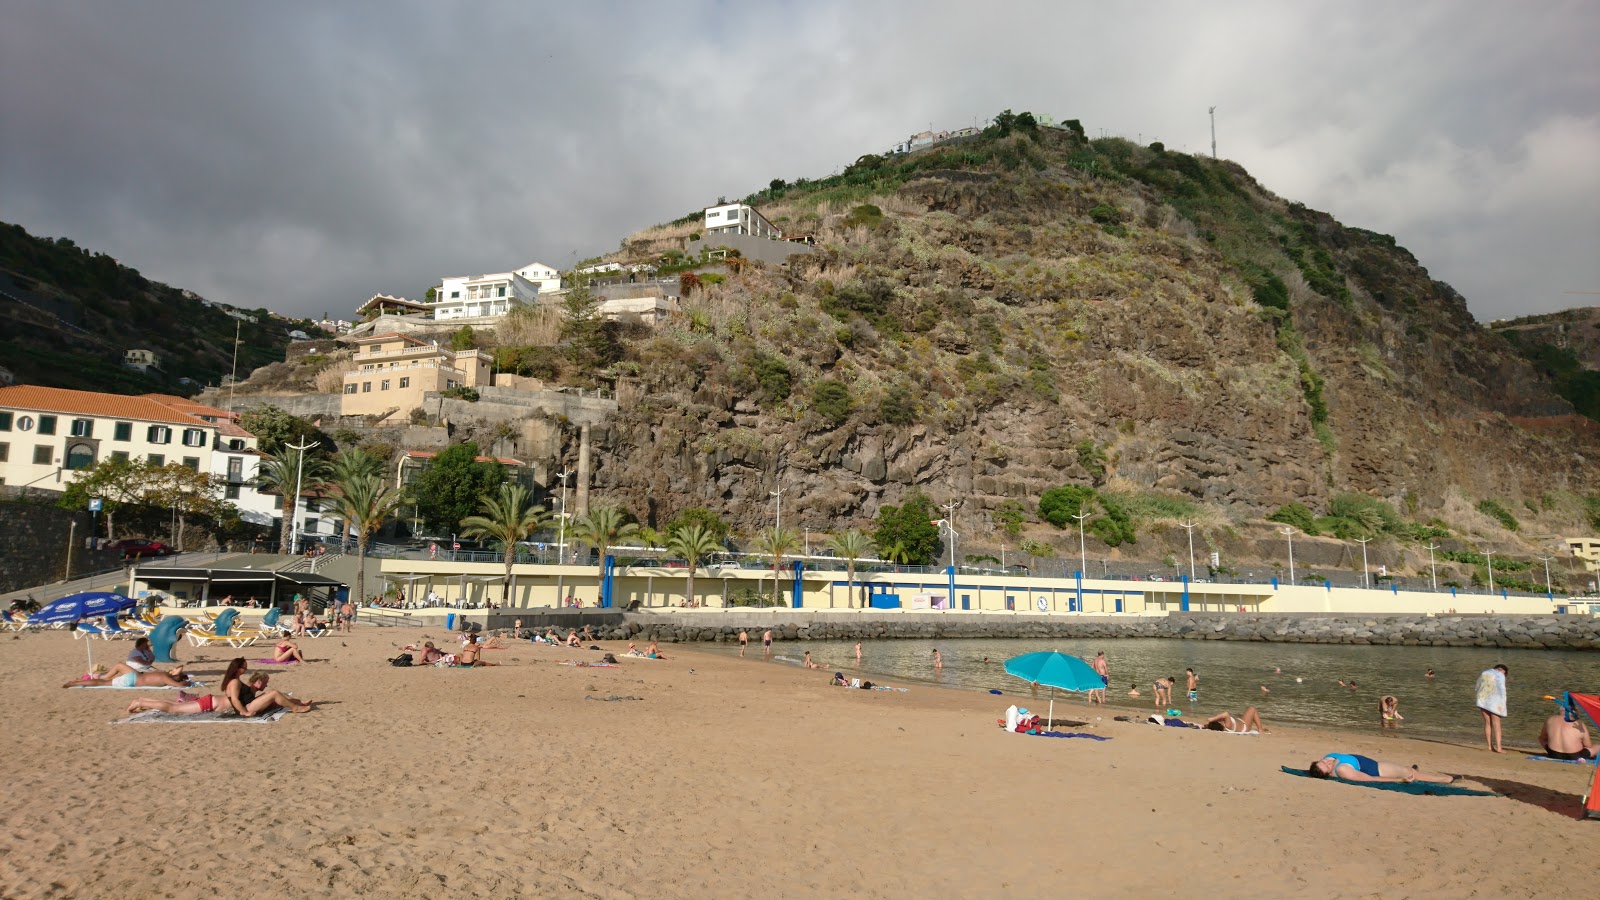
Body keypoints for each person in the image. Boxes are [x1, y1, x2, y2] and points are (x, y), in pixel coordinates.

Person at [222, 659, 312, 715]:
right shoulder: (234, 682)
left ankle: (298, 702)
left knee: (271, 692)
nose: (246, 669)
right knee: (274, 694)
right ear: (238, 668)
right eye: (244, 667)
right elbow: (234, 700)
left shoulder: (236, 680)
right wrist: (245, 712)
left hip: (250, 704)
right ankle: (295, 708)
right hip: (247, 707)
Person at [1306, 754, 1455, 784]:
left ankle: (1408, 769)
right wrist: (1400, 780)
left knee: (1405, 768)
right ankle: (1445, 779)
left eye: (1322, 761)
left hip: (1375, 763)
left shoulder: (1328, 758)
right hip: (1377, 770)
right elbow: (1371, 779)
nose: (1327, 762)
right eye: (1326, 766)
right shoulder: (1343, 770)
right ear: (1328, 773)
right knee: (1412, 773)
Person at [65, 661, 191, 689]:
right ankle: (78, 682)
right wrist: (186, 682)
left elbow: (179, 679)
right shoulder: (165, 677)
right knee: (103, 681)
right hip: (134, 679)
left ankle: (77, 682)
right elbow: (180, 684)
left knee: (102, 682)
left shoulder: (164, 675)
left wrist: (183, 679)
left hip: (134, 678)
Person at [1476, 664, 1508, 753]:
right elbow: (1502, 689)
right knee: (1496, 725)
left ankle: (1490, 746)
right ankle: (1499, 748)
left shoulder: (1485, 673)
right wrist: (1502, 705)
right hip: (1495, 702)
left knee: (1488, 723)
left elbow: (1478, 685)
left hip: (1483, 699)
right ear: (1504, 672)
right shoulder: (1501, 675)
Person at [1203, 708, 1269, 734]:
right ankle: (1260, 729)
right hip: (1244, 726)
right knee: (1252, 709)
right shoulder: (1227, 725)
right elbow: (1226, 714)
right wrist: (1212, 718)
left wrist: (1207, 726)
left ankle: (1261, 729)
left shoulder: (1223, 726)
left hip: (1241, 722)